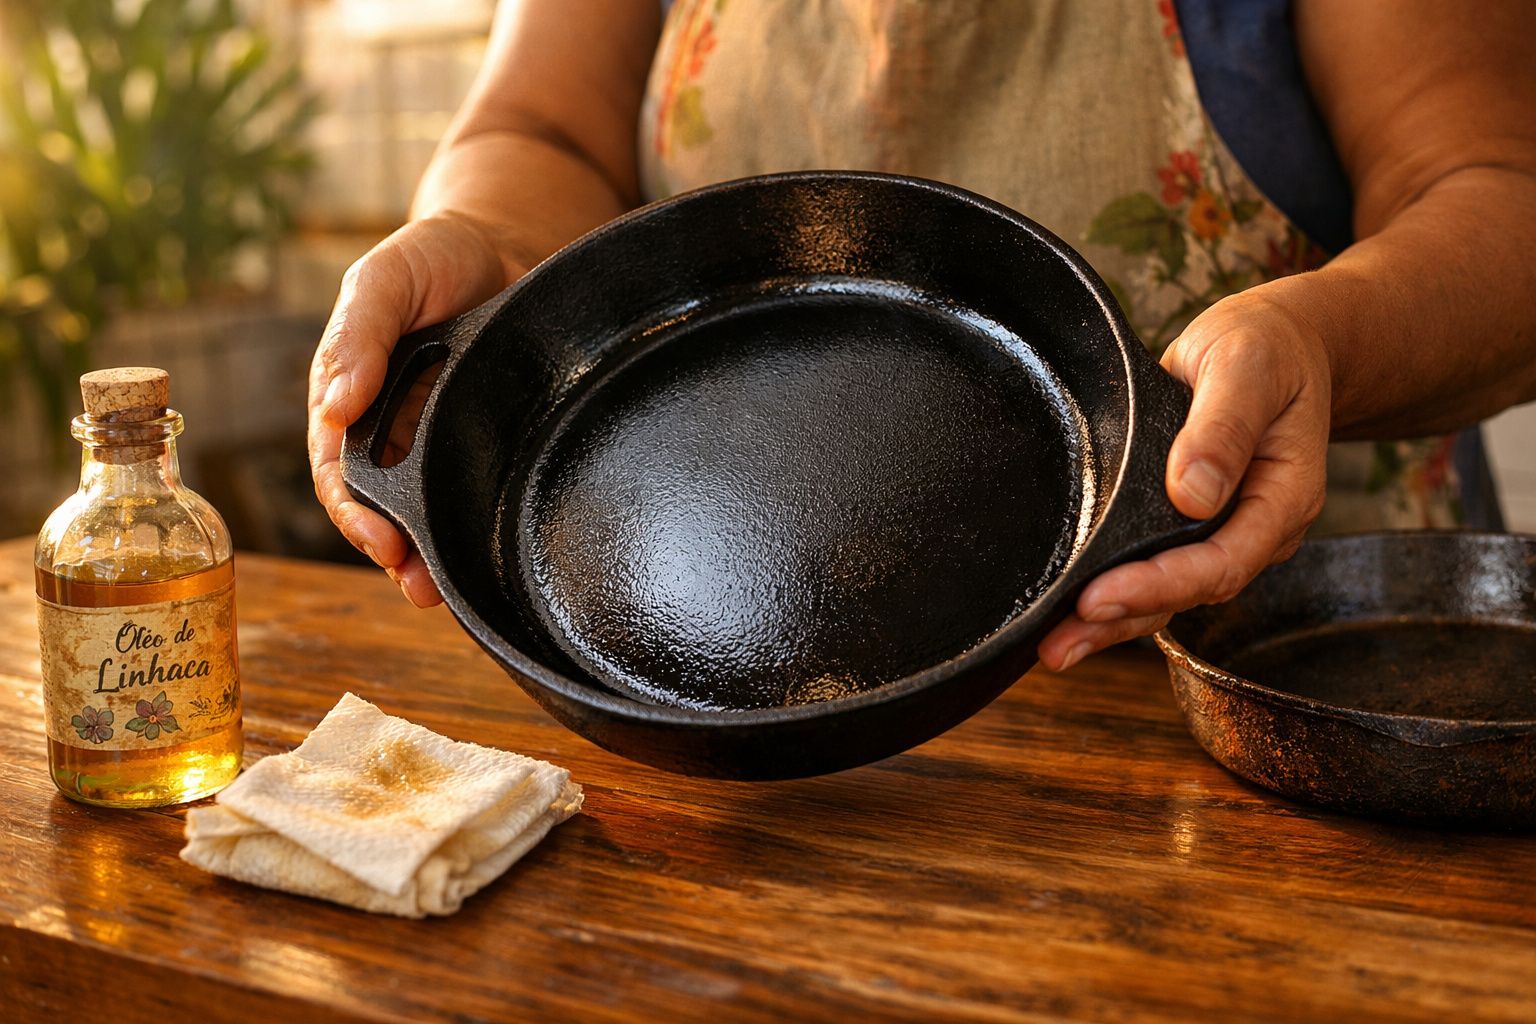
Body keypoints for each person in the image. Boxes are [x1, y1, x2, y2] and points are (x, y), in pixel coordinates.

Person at [308, 0, 1536, 673]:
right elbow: (544, 130)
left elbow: (1495, 187)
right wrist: (478, 233)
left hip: (1268, 709)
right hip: (765, 747)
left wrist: (1314, 336)